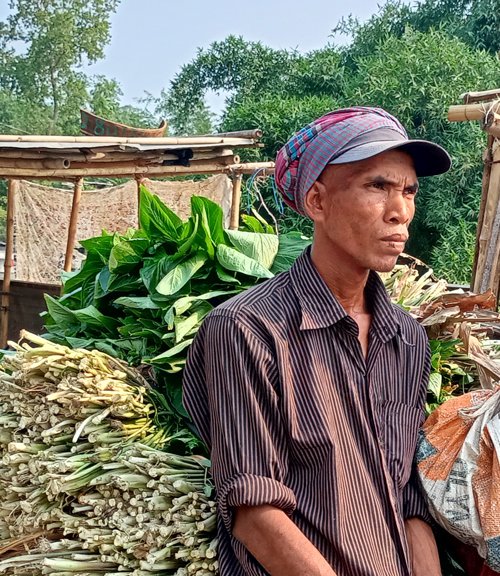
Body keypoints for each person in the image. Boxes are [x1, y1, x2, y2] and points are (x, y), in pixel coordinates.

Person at [182, 107, 451, 576]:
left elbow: (408, 495)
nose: (400, 211)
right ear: (317, 202)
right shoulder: (248, 329)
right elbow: (254, 509)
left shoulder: (406, 339)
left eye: (409, 191)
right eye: (377, 187)